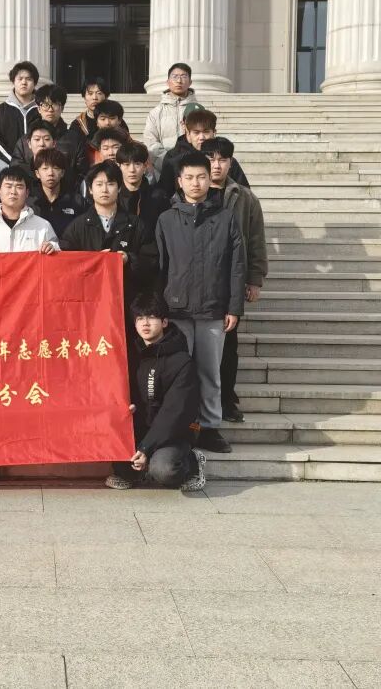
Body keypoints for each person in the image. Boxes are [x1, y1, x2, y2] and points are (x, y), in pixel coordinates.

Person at [155, 149, 245, 455]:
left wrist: (234, 307)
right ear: (179, 181)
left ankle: (208, 427)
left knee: (209, 372)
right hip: (176, 310)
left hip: (212, 309)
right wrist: (160, 310)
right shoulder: (167, 220)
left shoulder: (225, 218)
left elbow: (237, 266)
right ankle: (177, 427)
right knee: (177, 373)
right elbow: (160, 268)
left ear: (210, 180)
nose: (195, 183)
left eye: (201, 177)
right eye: (190, 177)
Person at [105, 293, 205, 491]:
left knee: (164, 471)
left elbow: (174, 412)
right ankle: (141, 467)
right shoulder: (130, 355)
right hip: (141, 428)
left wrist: (145, 447)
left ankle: (192, 463)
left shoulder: (181, 361)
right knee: (123, 468)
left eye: (151, 317)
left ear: (164, 322)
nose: (145, 323)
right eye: (140, 318)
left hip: (175, 431)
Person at [204, 137, 268, 424]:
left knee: (228, 344)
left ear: (231, 163)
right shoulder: (190, 192)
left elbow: (255, 240)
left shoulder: (244, 198)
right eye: (211, 159)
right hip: (197, 280)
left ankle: (226, 399)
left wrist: (254, 279)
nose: (216, 165)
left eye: (222, 159)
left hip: (231, 279)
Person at [59, 161, 157, 307]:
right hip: (90, 302)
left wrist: (129, 259)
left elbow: (151, 262)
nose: (105, 190)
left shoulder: (136, 224)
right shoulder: (77, 226)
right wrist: (92, 261)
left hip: (127, 302)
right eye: (99, 184)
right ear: (90, 189)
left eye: (110, 184)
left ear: (119, 188)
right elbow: (66, 265)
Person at [158, 107, 250, 197]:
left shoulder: (226, 161)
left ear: (214, 133)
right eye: (196, 132)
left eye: (206, 132)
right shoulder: (174, 160)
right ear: (188, 135)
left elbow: (245, 193)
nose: (201, 137)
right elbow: (164, 193)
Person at [142, 62, 200, 176]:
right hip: (164, 169)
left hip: (193, 168)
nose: (179, 81)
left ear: (190, 82)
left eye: (183, 76)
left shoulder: (198, 110)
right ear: (168, 82)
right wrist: (169, 161)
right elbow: (151, 142)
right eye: (175, 76)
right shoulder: (156, 112)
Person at [0, 61, 40, 167]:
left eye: (28, 79)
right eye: (20, 79)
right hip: (9, 169)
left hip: (39, 169)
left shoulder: (42, 111)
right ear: (13, 81)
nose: (24, 82)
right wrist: (14, 163)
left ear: (34, 83)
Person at [117, 141, 170, 235]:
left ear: (145, 166)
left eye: (137, 164)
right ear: (119, 166)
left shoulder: (158, 197)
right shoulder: (113, 196)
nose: (132, 170)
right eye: (127, 164)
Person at [71, 100, 129, 186]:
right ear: (97, 122)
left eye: (112, 118)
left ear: (119, 120)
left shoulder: (131, 146)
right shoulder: (87, 149)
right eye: (103, 119)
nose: (107, 123)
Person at [27, 147, 82, 237]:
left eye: (55, 168)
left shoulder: (77, 202)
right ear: (37, 173)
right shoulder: (28, 204)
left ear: (62, 173)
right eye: (45, 168)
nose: (50, 173)